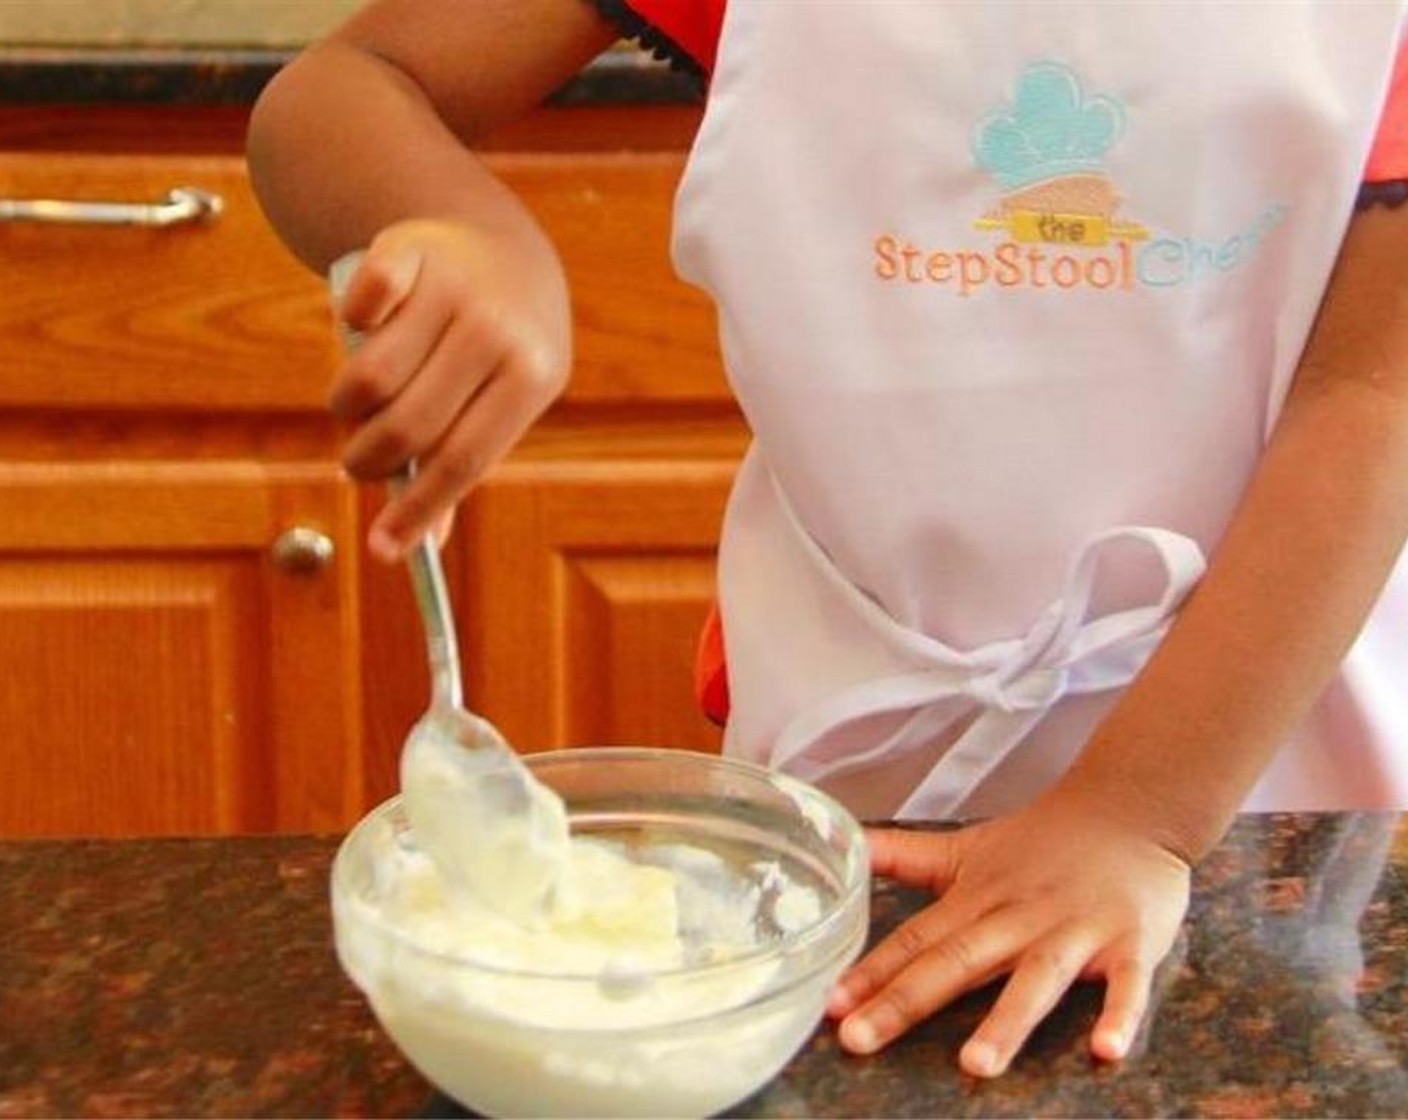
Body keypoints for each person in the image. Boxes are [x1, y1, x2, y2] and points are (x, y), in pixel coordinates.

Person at [247, 0, 1408, 1080]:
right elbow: (352, 84)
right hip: (847, 802)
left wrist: (1135, 814)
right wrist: (458, 225)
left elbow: (1375, 397)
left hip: (1253, 795)